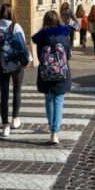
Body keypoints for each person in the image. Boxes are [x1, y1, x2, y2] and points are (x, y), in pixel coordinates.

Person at [0, 3, 32, 137]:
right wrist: (27, 60)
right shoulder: (16, 26)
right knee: (17, 90)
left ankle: (5, 125)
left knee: (4, 95)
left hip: (2, 65)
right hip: (17, 64)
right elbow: (22, 45)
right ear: (11, 13)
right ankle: (15, 118)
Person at [32, 10, 73, 145]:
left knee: (49, 100)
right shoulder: (64, 36)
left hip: (46, 74)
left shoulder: (41, 37)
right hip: (61, 74)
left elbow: (39, 57)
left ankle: (51, 125)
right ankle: (55, 133)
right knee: (58, 102)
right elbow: (68, 55)